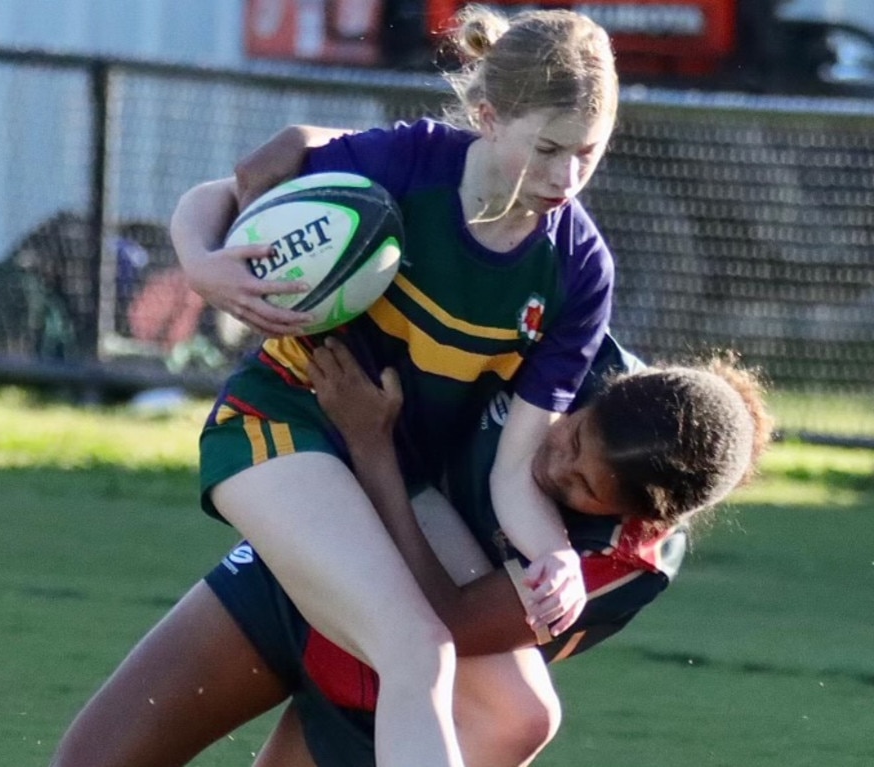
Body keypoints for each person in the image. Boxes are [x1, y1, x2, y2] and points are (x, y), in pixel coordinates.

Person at [168, 8, 620, 763]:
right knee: (419, 650)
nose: (566, 178)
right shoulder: (406, 165)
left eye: (588, 153)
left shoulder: (578, 267)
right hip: (282, 419)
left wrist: (555, 558)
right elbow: (224, 193)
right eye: (547, 149)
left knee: (507, 703)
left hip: (399, 472)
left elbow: (518, 468)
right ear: (489, 117)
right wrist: (198, 262)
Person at [49, 335, 772, 767]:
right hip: (310, 574)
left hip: (388, 684)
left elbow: (446, 621)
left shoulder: (628, 558)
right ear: (604, 391)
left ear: (640, 518)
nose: (556, 467)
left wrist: (372, 446)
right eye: (573, 436)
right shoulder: (572, 346)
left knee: (523, 710)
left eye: (584, 487)